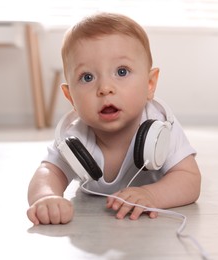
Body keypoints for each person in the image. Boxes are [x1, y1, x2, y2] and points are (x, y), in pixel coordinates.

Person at [27, 12, 201, 225]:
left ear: (149, 84)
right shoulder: (74, 138)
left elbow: (189, 178)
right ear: (70, 96)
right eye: (87, 77)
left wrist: (152, 195)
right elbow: (48, 172)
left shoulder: (160, 126)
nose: (105, 88)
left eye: (121, 71)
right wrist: (46, 197)